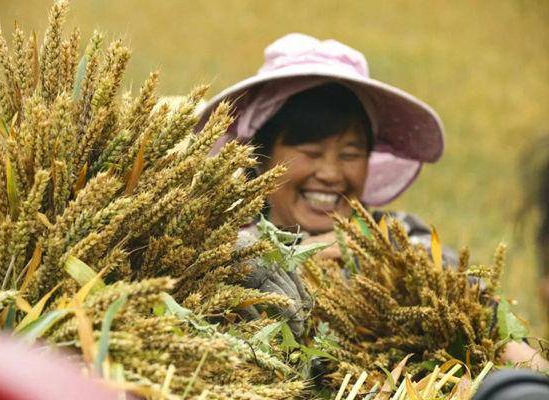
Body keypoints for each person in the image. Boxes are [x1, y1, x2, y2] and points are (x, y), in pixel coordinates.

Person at [196, 33, 548, 370]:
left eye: (351, 154)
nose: (332, 174)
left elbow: (472, 304)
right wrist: (285, 262)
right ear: (261, 156)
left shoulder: (399, 236)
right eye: (311, 151)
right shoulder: (222, 247)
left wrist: (381, 265)